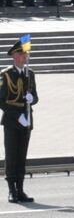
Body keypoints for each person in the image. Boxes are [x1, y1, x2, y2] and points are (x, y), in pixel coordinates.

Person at [2, 40, 37, 203]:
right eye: (21, 54)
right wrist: (18, 116)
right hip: (12, 121)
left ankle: (21, 189)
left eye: (26, 53)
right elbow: (1, 101)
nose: (25, 56)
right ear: (14, 56)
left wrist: (33, 99)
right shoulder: (5, 74)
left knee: (22, 156)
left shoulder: (30, 74)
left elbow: (35, 97)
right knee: (11, 155)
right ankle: (11, 190)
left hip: (27, 120)